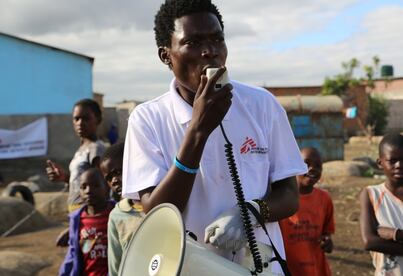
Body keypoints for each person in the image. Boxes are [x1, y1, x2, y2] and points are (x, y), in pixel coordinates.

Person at [122, 0, 307, 274]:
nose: (210, 52)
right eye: (193, 43)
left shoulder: (262, 105)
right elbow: (157, 212)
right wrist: (198, 131)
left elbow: (289, 196)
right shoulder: (147, 119)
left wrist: (249, 213)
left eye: (217, 39)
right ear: (166, 55)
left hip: (262, 268)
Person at [360, 133, 403, 275]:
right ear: (380, 163)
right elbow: (370, 241)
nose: (399, 165)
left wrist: (396, 234)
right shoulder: (371, 194)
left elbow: (379, 240)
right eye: (393, 160)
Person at [279, 147, 335, 276]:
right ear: (295, 164)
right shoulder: (281, 199)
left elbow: (327, 232)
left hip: (317, 269)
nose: (312, 168)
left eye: (318, 165)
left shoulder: (324, 198)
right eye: (306, 163)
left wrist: (327, 242)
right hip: (288, 269)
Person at [46, 98, 106, 212]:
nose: (80, 123)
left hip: (87, 211)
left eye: (86, 119)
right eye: (76, 119)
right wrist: (64, 178)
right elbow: (83, 182)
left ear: (98, 120)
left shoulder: (96, 149)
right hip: (76, 209)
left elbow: (101, 185)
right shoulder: (82, 148)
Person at [59, 167, 114, 276]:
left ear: (107, 188)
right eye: (83, 187)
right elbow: (73, 254)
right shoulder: (77, 220)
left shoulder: (116, 215)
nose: (88, 191)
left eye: (96, 186)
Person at [100, 142, 145, 276]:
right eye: (108, 178)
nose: (114, 181)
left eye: (118, 172)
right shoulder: (116, 215)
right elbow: (115, 262)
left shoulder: (160, 202)